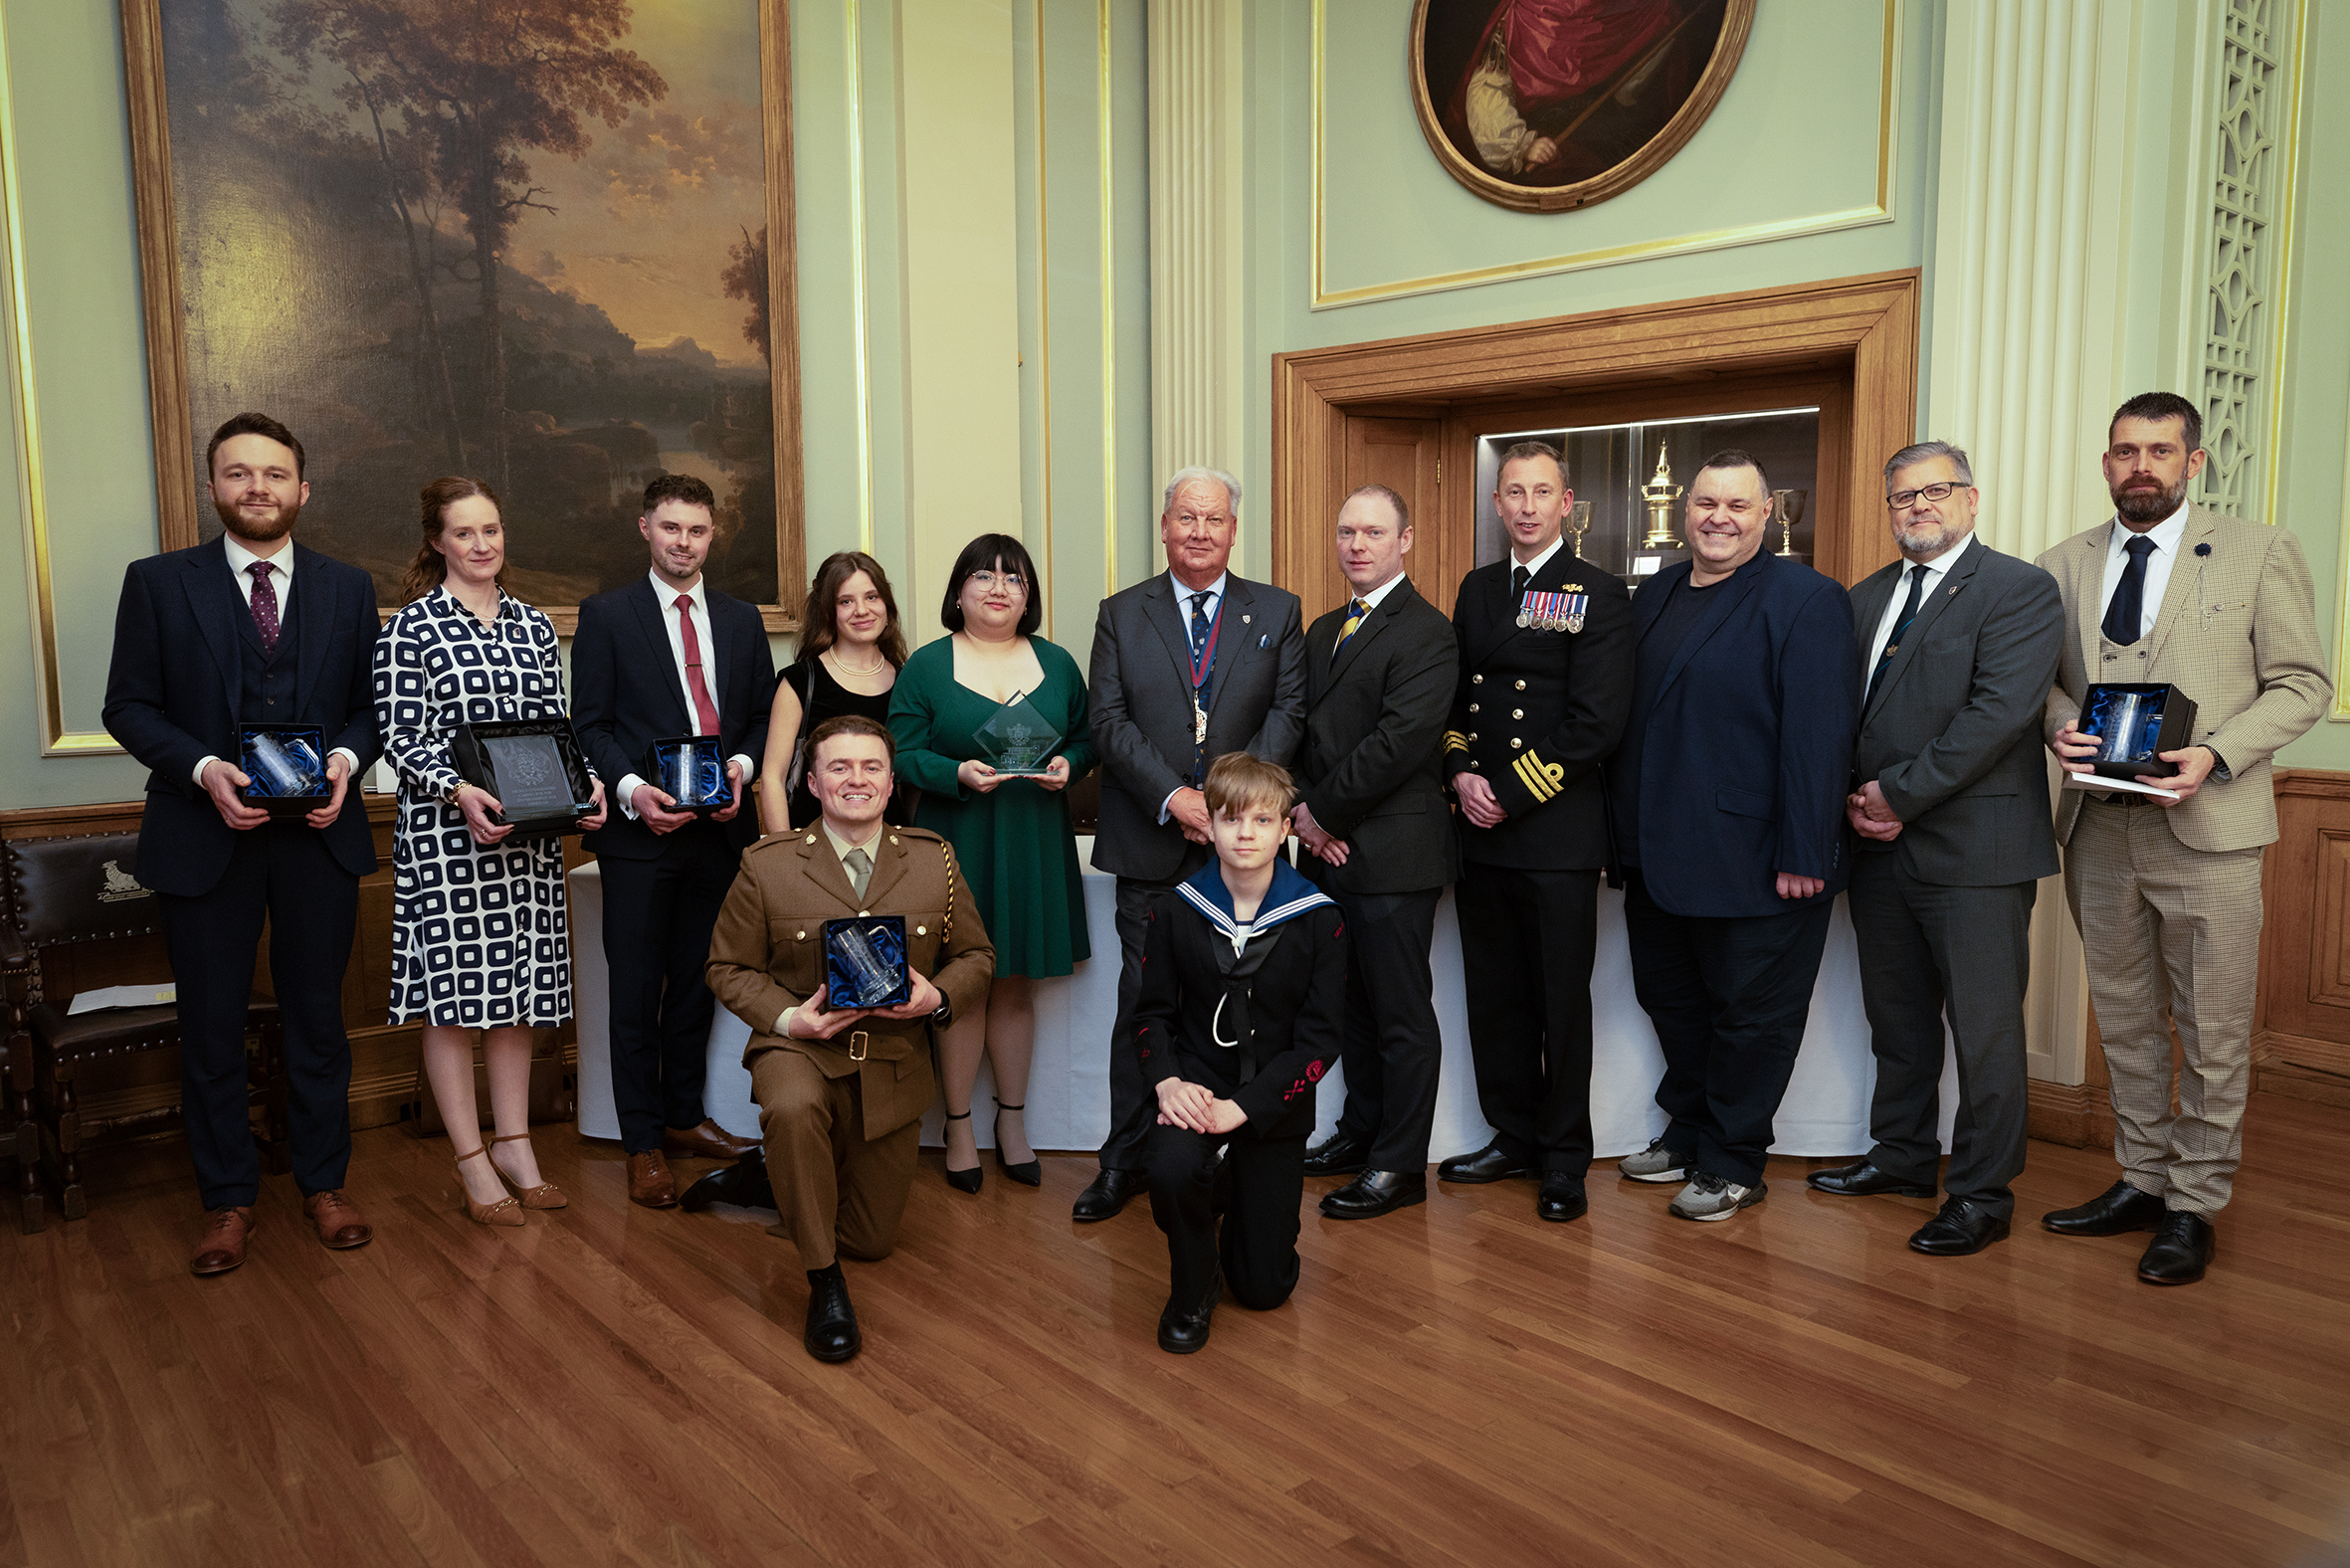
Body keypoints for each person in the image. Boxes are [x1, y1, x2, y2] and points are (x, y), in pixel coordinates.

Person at [2037, 392, 2330, 1284]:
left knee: (2211, 1029)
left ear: (2193, 462)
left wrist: (2215, 754)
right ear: (2106, 463)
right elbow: (2048, 684)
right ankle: (2142, 1178)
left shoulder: (2261, 550)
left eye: (2160, 451)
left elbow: (2302, 685)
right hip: (2098, 828)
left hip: (2209, 830)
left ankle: (2195, 1203)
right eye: (2125, 451)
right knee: (2125, 1023)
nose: (2141, 467)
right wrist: (2058, 727)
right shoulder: (2064, 564)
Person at [100, 412, 383, 1274]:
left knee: (317, 1025)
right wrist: (203, 771)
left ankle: (323, 1184)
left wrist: (343, 761)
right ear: (214, 486)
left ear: (303, 489)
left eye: (273, 474)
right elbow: (129, 707)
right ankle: (227, 1202)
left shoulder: (348, 586)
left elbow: (371, 709)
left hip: (319, 840)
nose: (256, 487)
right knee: (212, 1029)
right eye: (237, 473)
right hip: (201, 838)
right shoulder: (157, 583)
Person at [1811, 443, 2063, 1256]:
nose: (1918, 506)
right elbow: (1842, 713)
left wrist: (1897, 796)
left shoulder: (2018, 589)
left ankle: (1983, 1194)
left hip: (1976, 853)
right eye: (1903, 497)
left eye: (1936, 491)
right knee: (1898, 1019)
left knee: (1985, 1032)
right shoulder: (1865, 596)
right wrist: (1855, 800)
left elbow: (1997, 716)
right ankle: (1903, 1157)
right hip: (1879, 849)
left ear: (1972, 498)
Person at [1606, 449, 1859, 1223]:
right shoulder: (1656, 591)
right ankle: (1687, 1131)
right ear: (1685, 511)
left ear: (1767, 516)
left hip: (1758, 858)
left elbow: (1820, 737)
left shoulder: (1807, 598)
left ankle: (1734, 1160)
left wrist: (1807, 852)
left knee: (1751, 1018)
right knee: (1672, 1002)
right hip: (1656, 853)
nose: (1718, 518)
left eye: (1737, 506)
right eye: (1706, 503)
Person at [704, 716, 995, 1362]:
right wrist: (789, 1021)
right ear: (812, 782)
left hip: (891, 1065)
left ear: (892, 784)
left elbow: (976, 955)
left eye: (870, 768)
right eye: (839, 767)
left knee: (871, 1240)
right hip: (801, 1051)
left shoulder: (933, 860)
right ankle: (824, 1283)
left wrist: (937, 997)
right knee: (792, 1108)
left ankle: (769, 1176)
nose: (855, 780)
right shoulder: (767, 865)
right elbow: (726, 967)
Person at [375, 478, 608, 1226]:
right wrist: (458, 792)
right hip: (449, 838)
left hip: (530, 839)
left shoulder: (535, 627)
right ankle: (471, 1159)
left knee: (517, 998)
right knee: (453, 1006)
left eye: (493, 531)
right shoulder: (411, 628)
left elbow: (554, 728)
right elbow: (401, 738)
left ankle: (516, 1145)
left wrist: (589, 784)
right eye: (466, 533)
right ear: (437, 541)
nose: (483, 545)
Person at [1078, 466, 1307, 1222]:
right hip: (1150, 848)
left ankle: (1231, 1149)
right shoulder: (1121, 612)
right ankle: (1126, 1157)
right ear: (1166, 525)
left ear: (1233, 529)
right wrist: (1174, 797)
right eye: (1186, 518)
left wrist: (1232, 802)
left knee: (1249, 1006)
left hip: (1242, 853)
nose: (1200, 531)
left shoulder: (1276, 610)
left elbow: (1288, 713)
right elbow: (1106, 721)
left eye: (1213, 519)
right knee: (1143, 1007)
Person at [1434, 442, 1633, 1224]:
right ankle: (1509, 1135)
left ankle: (1562, 1157)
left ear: (1567, 502)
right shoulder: (1478, 589)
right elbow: (1456, 704)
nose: (1524, 505)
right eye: (1511, 492)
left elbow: (1597, 724)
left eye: (1540, 492)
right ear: (1496, 502)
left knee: (1558, 1001)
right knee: (1496, 997)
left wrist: (1507, 791)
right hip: (1481, 831)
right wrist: (1459, 776)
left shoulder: (1597, 591)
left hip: (1553, 831)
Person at [571, 475, 771, 1208]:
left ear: (712, 535)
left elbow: (755, 721)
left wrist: (741, 774)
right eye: (671, 528)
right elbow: (589, 724)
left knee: (697, 984)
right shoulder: (607, 615)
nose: (684, 542)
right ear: (645, 529)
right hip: (640, 837)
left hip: (719, 836)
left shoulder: (743, 620)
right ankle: (643, 1142)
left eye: (697, 530)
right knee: (636, 991)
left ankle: (684, 1116)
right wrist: (631, 793)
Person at [887, 534, 1094, 1191]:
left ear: (1028, 596)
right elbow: (899, 751)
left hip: (1034, 837)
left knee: (1015, 985)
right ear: (958, 592)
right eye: (983, 576)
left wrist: (1071, 764)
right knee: (961, 984)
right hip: (958, 838)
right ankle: (956, 1128)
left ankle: (1012, 1121)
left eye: (1014, 579)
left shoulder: (1059, 664)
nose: (999, 588)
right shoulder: (926, 665)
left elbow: (1088, 738)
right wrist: (955, 772)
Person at [1133, 753, 1346, 1353]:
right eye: (1230, 819)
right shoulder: (1177, 908)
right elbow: (1151, 1015)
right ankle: (1192, 1282)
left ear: (1285, 829)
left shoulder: (1319, 919)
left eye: (1261, 820)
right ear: (1210, 828)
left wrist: (1246, 1109)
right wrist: (1168, 1084)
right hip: (1197, 1084)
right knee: (1171, 1170)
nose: (1245, 833)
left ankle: (1233, 1193)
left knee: (1263, 1288)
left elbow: (1321, 1038)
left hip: (1272, 1099)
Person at [1289, 485, 1461, 1220]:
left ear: (1406, 539)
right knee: (1348, 1009)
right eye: (1346, 532)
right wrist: (1302, 813)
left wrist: (1318, 813)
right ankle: (1358, 1135)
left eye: (1373, 532)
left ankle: (1400, 1165)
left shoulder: (1428, 631)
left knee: (1400, 1015)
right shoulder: (1323, 628)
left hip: (1393, 852)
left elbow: (1399, 744)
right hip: (1326, 852)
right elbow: (1295, 730)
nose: (1357, 545)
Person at [756, 550, 914, 834]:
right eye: (846, 601)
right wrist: (784, 857)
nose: (862, 610)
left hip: (892, 844)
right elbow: (772, 777)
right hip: (812, 846)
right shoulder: (800, 681)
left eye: (872, 597)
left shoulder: (909, 680)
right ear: (829, 611)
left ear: (887, 605)